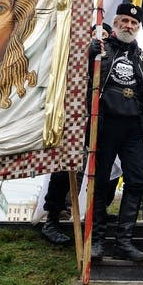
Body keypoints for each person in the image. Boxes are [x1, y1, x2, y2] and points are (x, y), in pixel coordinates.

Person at [40, 22, 115, 246]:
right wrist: (88, 57)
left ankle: (97, 217)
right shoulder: (76, 55)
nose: (100, 38)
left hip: (105, 121)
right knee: (66, 168)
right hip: (76, 118)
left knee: (106, 173)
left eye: (105, 35)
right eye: (96, 35)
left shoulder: (114, 59)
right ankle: (53, 217)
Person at [88, 4, 143, 262]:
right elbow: (81, 78)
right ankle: (97, 240)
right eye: (125, 21)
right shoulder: (102, 49)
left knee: (137, 181)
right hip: (105, 124)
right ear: (116, 23)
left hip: (132, 128)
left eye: (134, 24)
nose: (129, 26)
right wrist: (88, 55)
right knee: (100, 181)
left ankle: (123, 242)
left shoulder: (142, 57)